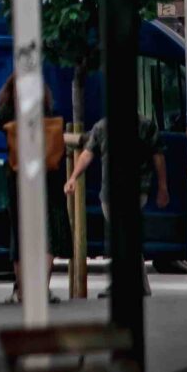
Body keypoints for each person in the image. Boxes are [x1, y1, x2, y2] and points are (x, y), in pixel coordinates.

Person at [67, 114, 169, 297]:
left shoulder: (105, 126)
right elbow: (158, 156)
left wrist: (73, 177)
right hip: (127, 190)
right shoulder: (143, 125)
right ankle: (137, 285)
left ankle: (124, 284)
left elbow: (87, 154)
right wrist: (162, 187)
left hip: (122, 190)